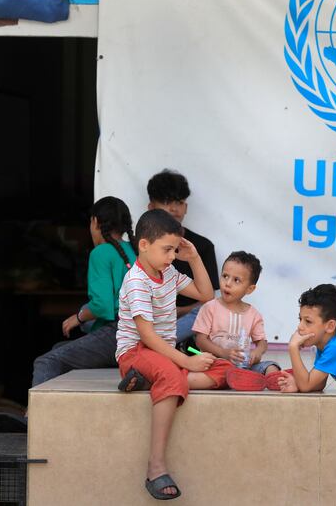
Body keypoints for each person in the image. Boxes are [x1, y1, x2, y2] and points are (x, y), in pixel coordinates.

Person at [0, 196, 136, 433]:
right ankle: (57, 420)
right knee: (58, 353)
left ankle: (35, 421)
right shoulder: (135, 250)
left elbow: (102, 306)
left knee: (46, 361)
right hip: (137, 335)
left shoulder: (101, 253)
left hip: (116, 335)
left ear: (95, 223)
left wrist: (77, 318)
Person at [115, 209, 233, 500]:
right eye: (167, 249)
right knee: (171, 374)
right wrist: (185, 361)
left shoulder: (167, 272)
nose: (171, 256)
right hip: (135, 353)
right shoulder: (136, 280)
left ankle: (151, 380)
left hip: (162, 354)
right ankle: (155, 467)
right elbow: (147, 336)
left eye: (174, 250)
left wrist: (193, 258)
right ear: (144, 245)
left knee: (222, 368)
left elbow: (206, 295)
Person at [146, 169, 220, 343]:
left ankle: (159, 344)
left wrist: (179, 311)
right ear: (151, 206)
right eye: (166, 201)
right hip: (149, 320)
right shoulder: (140, 245)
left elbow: (208, 301)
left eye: (179, 202)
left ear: (185, 207)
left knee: (209, 310)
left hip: (187, 323)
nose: (173, 208)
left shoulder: (202, 246)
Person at [192, 251, 281, 391]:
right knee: (219, 371)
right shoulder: (210, 307)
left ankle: (272, 381)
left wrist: (257, 353)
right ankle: (241, 380)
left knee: (271, 366)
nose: (227, 284)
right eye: (225, 276)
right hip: (216, 363)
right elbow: (200, 340)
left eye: (236, 280)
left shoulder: (253, 314)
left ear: (250, 289)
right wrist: (223, 353)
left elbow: (262, 343)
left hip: (243, 366)